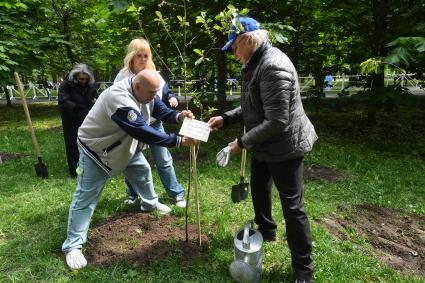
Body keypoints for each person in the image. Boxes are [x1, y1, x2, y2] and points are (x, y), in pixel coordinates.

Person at [208, 17, 318, 283]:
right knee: (259, 188)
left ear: (247, 40)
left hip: (286, 147)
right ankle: (267, 230)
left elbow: (278, 121)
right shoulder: (254, 63)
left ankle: (304, 269)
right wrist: (228, 117)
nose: (234, 53)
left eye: (234, 47)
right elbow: (253, 104)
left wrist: (241, 143)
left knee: (293, 208)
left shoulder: (272, 67)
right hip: (264, 145)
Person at [62, 69, 197, 270]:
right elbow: (141, 130)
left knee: (142, 171)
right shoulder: (119, 98)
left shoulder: (148, 90)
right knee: (86, 197)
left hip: (123, 144)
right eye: (152, 93)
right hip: (97, 149)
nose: (154, 96)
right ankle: (72, 246)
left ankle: (149, 203)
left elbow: (160, 110)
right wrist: (177, 140)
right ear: (137, 86)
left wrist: (179, 117)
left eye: (156, 92)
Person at [115, 38, 186, 208]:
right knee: (132, 159)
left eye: (146, 55)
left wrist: (175, 106)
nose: (143, 59)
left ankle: (176, 193)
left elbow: (164, 95)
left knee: (163, 159)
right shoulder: (122, 77)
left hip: (154, 122)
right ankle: (133, 193)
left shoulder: (154, 74)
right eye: (138, 55)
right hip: (132, 125)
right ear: (131, 56)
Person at [58, 63, 97, 177]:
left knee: (88, 142)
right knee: (72, 143)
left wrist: (94, 101)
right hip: (71, 119)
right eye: (81, 79)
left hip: (87, 118)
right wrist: (76, 107)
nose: (84, 81)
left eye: (86, 79)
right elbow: (63, 102)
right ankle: (75, 170)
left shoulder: (90, 86)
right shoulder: (66, 85)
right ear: (75, 77)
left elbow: (95, 97)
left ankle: (90, 167)